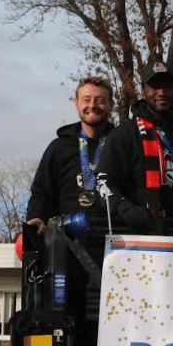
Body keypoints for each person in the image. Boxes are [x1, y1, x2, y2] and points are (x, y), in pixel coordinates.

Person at [96, 60, 173, 232]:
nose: (162, 92)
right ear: (144, 92)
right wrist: (126, 209)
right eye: (155, 86)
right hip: (139, 236)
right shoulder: (124, 134)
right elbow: (103, 182)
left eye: (168, 86)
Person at [26, 76, 115, 234]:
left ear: (111, 105)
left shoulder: (121, 144)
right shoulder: (59, 148)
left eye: (100, 100)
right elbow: (41, 192)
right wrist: (37, 216)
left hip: (115, 240)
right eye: (86, 100)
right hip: (68, 243)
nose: (92, 106)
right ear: (76, 103)